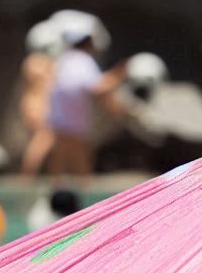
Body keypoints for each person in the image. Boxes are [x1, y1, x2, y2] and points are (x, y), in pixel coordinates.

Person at [46, 24, 128, 177]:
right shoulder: (83, 60)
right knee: (79, 159)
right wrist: (119, 74)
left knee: (60, 158)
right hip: (73, 122)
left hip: (60, 118)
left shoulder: (64, 59)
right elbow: (98, 87)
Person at [20, 20, 61, 176]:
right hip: (37, 106)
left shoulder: (38, 61)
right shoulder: (35, 61)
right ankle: (27, 177)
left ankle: (52, 177)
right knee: (43, 139)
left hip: (40, 105)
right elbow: (50, 81)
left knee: (50, 141)